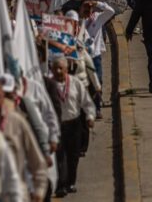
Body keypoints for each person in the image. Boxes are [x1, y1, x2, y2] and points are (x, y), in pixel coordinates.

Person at [0, 78, 48, 202]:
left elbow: (37, 162)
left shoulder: (16, 122)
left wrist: (39, 192)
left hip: (16, 196)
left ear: (3, 97)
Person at [50, 55, 96, 197]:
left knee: (73, 155)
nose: (58, 71)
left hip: (73, 124)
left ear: (66, 69)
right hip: (57, 125)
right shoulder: (49, 85)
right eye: (55, 68)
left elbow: (86, 102)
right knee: (60, 156)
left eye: (61, 68)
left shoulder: (75, 83)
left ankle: (70, 182)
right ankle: (61, 185)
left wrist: (89, 116)